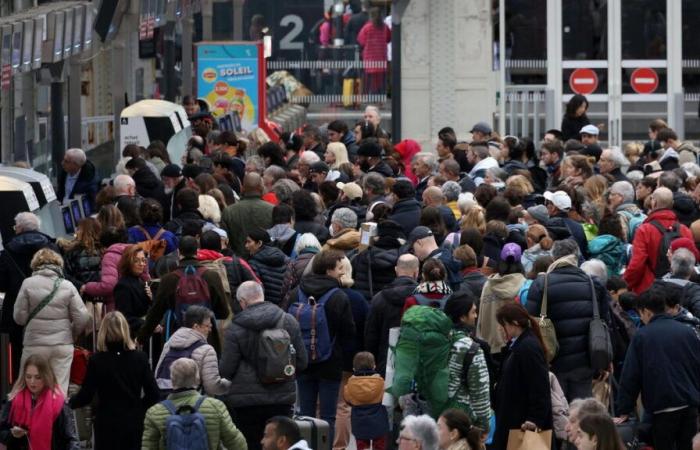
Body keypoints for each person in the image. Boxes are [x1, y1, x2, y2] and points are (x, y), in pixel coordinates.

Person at [220, 281, 308, 450]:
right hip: (282, 398)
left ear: (243, 302)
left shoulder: (235, 327)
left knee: (251, 444)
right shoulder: (287, 320)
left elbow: (226, 370)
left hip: (246, 402)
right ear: (262, 296)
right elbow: (302, 362)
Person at [615, 284, 700, 450]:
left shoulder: (642, 336)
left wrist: (624, 409)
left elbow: (631, 375)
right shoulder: (687, 331)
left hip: (661, 406)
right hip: (690, 404)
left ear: (646, 311)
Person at [525, 239, 612, 401]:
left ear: (553, 258)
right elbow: (605, 322)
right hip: (585, 360)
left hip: (553, 360)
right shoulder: (592, 283)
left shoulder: (541, 284)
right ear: (577, 257)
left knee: (557, 411)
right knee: (581, 412)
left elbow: (530, 323)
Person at [289, 250, 356, 442]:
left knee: (305, 414)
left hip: (303, 362)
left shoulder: (297, 293)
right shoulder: (339, 296)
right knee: (328, 417)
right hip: (330, 363)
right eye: (339, 268)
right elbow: (348, 333)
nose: (341, 273)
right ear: (328, 270)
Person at [69, 312, 159, 450]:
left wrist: (69, 402)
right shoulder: (140, 358)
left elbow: (86, 395)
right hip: (133, 420)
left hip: (106, 420)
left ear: (103, 332)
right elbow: (153, 394)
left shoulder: (97, 360)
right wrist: (139, 408)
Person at [13, 248, 89, 394]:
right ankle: (56, 416)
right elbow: (83, 317)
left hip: (34, 345)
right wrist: (71, 334)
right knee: (58, 391)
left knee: (32, 389)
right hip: (61, 346)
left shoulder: (27, 284)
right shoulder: (67, 285)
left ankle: (34, 416)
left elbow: (19, 318)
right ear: (58, 265)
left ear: (35, 265)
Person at [138, 237, 228, 351]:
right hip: (206, 339)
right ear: (197, 251)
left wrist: (141, 338)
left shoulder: (169, 279)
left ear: (179, 252)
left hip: (176, 338)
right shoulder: (212, 276)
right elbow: (223, 313)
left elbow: (155, 313)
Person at [0, 212, 58, 381]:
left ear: (19, 228)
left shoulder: (7, 252)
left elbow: (2, 283)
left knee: (18, 353)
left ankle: (19, 389)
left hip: (16, 311)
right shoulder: (51, 248)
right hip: (47, 309)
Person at [142, 358, 247, 450]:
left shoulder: (154, 413)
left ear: (172, 380)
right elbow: (235, 442)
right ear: (197, 379)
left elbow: (148, 447)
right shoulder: (215, 406)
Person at [492, 302, 553, 450]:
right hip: (513, 420)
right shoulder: (517, 346)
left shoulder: (527, 348)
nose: (500, 328)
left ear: (514, 323)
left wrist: (534, 420)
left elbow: (540, 388)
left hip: (522, 425)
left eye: (503, 324)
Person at [0, 354, 79, 450]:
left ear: (46, 377)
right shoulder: (13, 400)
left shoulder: (59, 403)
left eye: (38, 377)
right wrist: (12, 434)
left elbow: (71, 440)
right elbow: (2, 433)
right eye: (28, 377)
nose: (32, 382)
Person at [624, 187, 693, 294]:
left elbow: (637, 264)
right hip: (679, 290)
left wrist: (625, 284)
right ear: (672, 203)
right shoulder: (685, 230)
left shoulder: (645, 230)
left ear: (654, 202)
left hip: (649, 290)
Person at [442, 293, 492, 431]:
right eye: (473, 312)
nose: (476, 316)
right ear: (462, 317)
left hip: (433, 416)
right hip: (460, 420)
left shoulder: (436, 341)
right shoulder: (471, 348)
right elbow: (480, 393)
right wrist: (483, 426)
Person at [154, 306, 229, 396]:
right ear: (196, 326)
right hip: (193, 403)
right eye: (207, 326)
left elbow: (157, 373)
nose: (210, 329)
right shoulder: (207, 350)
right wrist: (228, 383)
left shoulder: (169, 343)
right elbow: (212, 387)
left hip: (167, 400)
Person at [365, 253, 420, 376]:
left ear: (396, 270)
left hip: (384, 363)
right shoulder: (422, 300)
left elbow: (371, 336)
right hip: (414, 364)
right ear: (417, 272)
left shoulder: (379, 299)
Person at [476, 243, 526, 360]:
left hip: (490, 345)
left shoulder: (488, 285)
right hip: (515, 345)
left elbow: (482, 317)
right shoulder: (524, 285)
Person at [343, 352, 389, 450]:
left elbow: (347, 400)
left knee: (362, 447)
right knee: (379, 446)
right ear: (374, 367)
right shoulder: (381, 383)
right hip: (379, 423)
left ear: (354, 369)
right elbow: (385, 397)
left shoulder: (349, 385)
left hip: (359, 424)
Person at [222, 173, 275, 257]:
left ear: (242, 188)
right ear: (261, 188)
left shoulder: (229, 211)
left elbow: (224, 241)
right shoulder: (272, 210)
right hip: (266, 261)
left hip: (237, 262)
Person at [113, 244, 152, 337]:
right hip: (133, 336)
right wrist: (147, 324)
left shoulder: (141, 281)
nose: (141, 264)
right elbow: (125, 317)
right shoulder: (123, 286)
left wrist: (151, 298)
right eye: (136, 261)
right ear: (128, 262)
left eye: (143, 260)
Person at [245, 228, 289, 306]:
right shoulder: (283, 257)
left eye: (249, 242)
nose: (246, 246)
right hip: (283, 305)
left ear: (259, 243)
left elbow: (255, 290)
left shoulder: (253, 263)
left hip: (266, 306)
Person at [59, 217, 103, 288]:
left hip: (81, 294)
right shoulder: (104, 250)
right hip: (103, 292)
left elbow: (66, 276)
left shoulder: (72, 252)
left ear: (86, 232)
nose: (76, 232)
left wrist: (81, 286)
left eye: (78, 229)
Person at [357, 7, 391, 95]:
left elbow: (361, 40)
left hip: (369, 56)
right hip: (381, 56)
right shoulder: (385, 27)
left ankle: (369, 95)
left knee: (369, 78)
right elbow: (388, 38)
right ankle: (379, 96)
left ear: (370, 16)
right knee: (380, 79)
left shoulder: (367, 27)